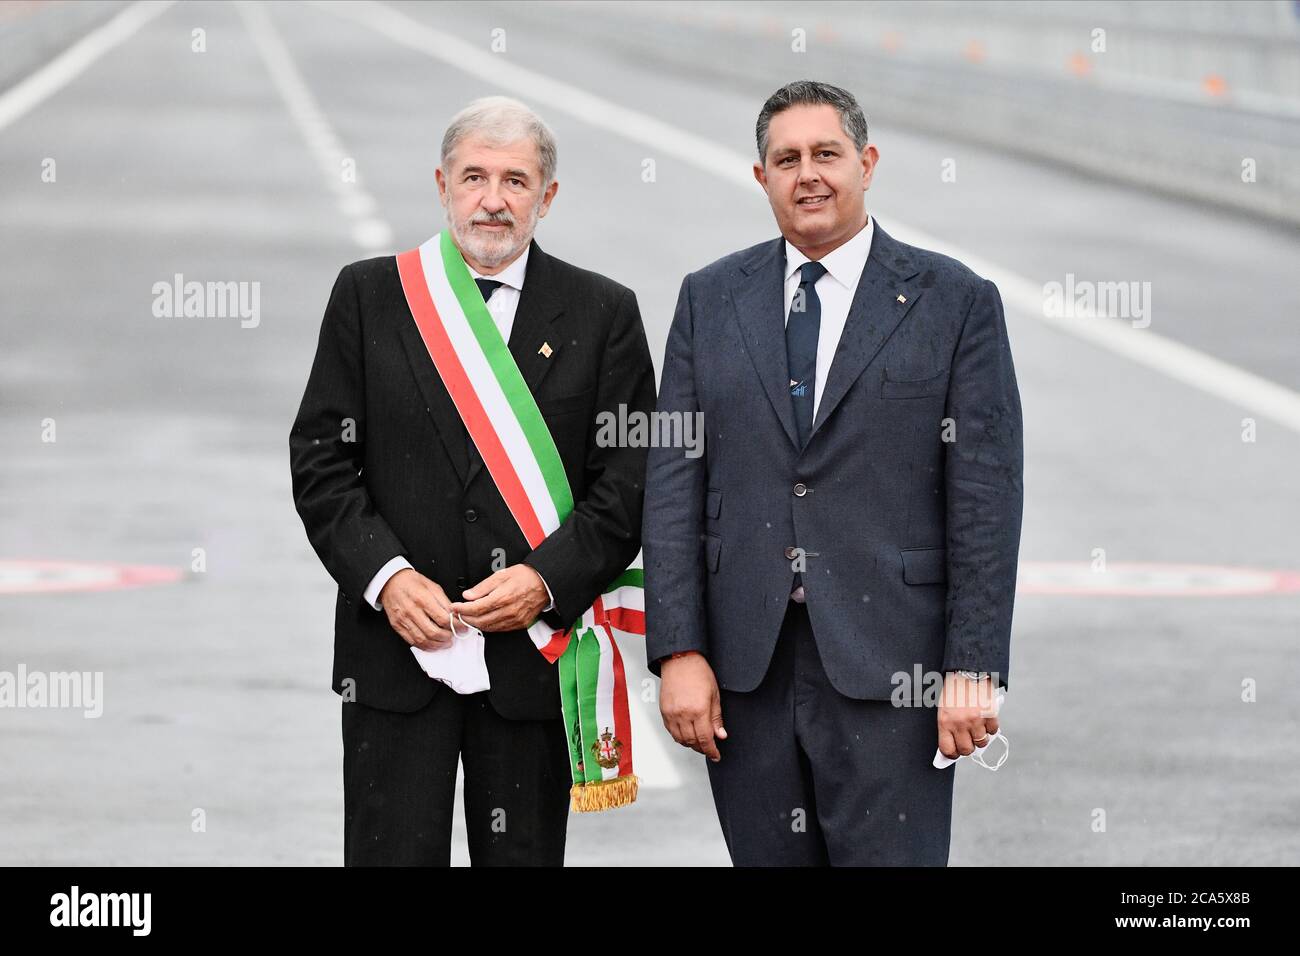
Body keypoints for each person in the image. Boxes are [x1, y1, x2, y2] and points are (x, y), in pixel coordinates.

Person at [643, 80, 1023, 866]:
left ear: (867, 162)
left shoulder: (955, 301)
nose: (808, 174)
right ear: (761, 177)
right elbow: (673, 482)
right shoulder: (709, 298)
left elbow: (985, 498)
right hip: (745, 676)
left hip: (896, 672)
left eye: (827, 154)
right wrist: (678, 651)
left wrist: (973, 667)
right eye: (786, 159)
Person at [290, 96, 655, 866]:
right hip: (395, 658)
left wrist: (545, 581)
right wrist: (387, 580)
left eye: (516, 181)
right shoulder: (369, 296)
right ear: (443, 184)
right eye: (475, 177)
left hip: (533, 657)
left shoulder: (604, 312)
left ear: (547, 197)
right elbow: (322, 460)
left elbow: (626, 485)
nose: (493, 199)